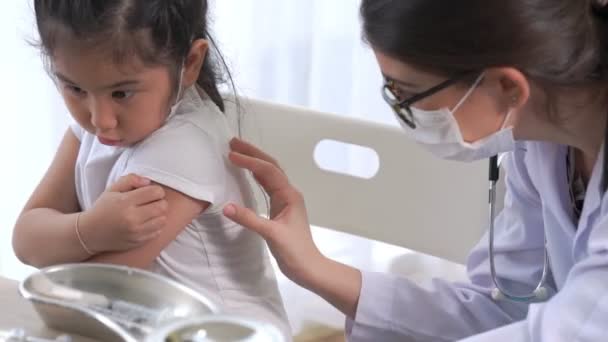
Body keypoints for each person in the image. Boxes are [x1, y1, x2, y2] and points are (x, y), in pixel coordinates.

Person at [222, 0, 608, 340]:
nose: (403, 112)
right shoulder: (540, 146)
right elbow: (508, 309)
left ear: (507, 86)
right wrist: (314, 268)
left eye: (406, 93)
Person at [12, 0, 290, 338]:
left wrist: (65, 238)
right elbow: (25, 240)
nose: (100, 119)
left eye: (121, 93)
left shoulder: (184, 150)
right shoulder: (100, 127)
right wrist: (90, 228)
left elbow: (85, 291)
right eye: (75, 89)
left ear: (189, 63)